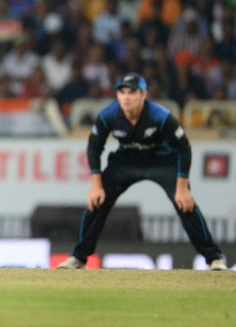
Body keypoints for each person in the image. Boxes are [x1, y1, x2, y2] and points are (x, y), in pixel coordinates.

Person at [58, 73, 228, 270]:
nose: (126, 97)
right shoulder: (108, 115)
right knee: (98, 200)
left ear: (143, 95)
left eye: (132, 92)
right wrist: (96, 186)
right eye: (122, 92)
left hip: (162, 161)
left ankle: (214, 258)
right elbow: (94, 146)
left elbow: (183, 147)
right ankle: (78, 257)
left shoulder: (159, 115)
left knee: (185, 204)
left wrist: (182, 187)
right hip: (126, 161)